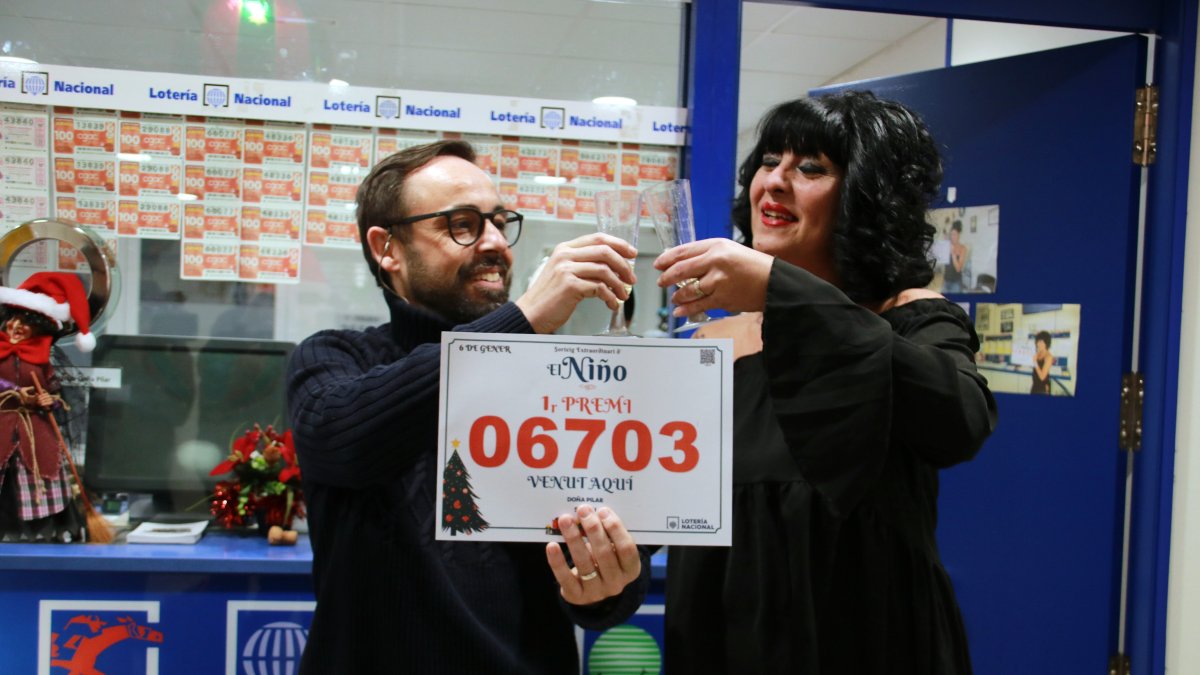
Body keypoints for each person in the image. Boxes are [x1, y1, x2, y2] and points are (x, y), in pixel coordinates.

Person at [654, 91, 998, 673]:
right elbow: (660, 512)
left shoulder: (910, 318)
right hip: (723, 642)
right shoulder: (712, 344)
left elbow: (961, 422)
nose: (775, 182)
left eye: (811, 168)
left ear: (867, 194)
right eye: (769, 161)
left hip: (865, 642)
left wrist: (778, 290)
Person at [287, 140, 650, 673]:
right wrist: (522, 321)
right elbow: (345, 438)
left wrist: (606, 585)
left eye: (500, 222)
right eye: (463, 224)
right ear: (387, 247)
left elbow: (599, 578)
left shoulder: (555, 381)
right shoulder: (336, 357)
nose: (496, 243)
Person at [0, 272, 96, 542]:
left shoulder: (42, 360)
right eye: (13, 319)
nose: (16, 326)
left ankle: (42, 528)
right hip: (3, 423)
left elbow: (54, 391)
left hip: (35, 430)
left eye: (25, 322)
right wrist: (17, 393)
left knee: (40, 472)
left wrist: (48, 400)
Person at [943, 219, 969, 292]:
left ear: (959, 235)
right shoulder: (947, 245)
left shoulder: (963, 248)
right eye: (951, 234)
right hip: (946, 281)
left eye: (954, 234)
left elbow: (958, 268)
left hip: (956, 283)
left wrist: (953, 253)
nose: (952, 236)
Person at [1031, 330, 1054, 394]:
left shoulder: (1049, 357)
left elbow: (1042, 377)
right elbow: (1035, 367)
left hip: (1042, 388)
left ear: (1046, 343)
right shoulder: (1038, 353)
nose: (1038, 344)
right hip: (1035, 384)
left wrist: (1035, 362)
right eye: (1037, 341)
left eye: (1041, 342)